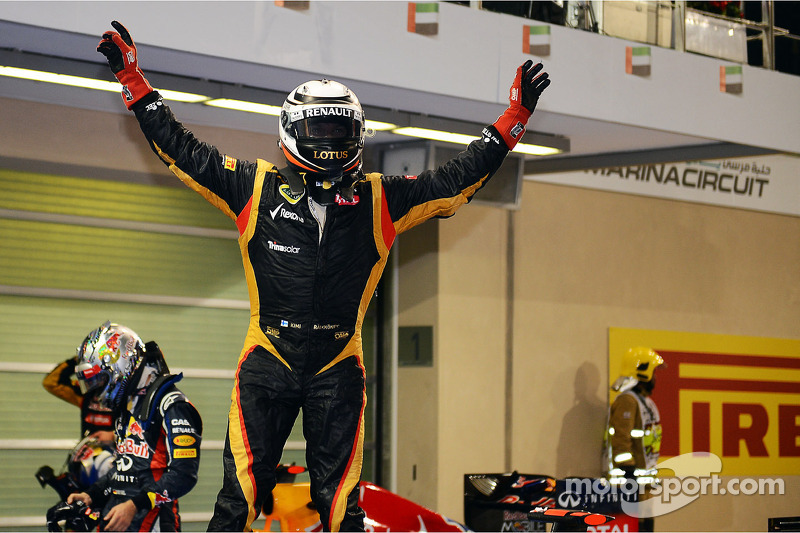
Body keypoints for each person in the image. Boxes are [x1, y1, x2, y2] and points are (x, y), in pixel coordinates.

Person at [95, 20, 550, 532]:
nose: (331, 141)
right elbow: (182, 150)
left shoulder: (382, 198)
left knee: (340, 506)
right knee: (238, 497)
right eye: (321, 130)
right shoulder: (255, 188)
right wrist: (133, 81)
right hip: (266, 358)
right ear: (293, 130)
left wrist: (513, 118)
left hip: (339, 364)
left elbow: (455, 180)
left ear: (358, 134)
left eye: (340, 130)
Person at [65, 321, 202, 532]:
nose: (98, 390)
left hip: (153, 522)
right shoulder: (129, 405)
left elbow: (184, 475)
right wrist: (91, 495)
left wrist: (135, 505)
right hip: (119, 519)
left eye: (100, 379)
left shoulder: (171, 404)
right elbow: (122, 469)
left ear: (118, 364)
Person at [604, 346, 664, 531]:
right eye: (653, 372)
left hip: (643, 486)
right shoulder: (627, 401)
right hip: (629, 485)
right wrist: (628, 472)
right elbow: (621, 439)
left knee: (646, 527)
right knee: (634, 527)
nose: (656, 377)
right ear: (643, 372)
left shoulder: (645, 402)